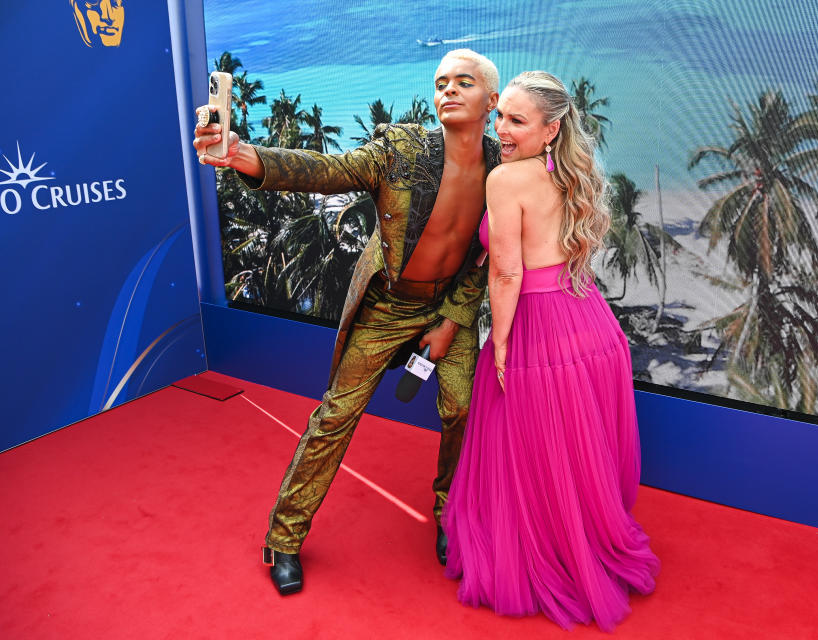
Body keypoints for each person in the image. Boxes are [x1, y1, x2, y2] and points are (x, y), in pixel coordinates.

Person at [192, 49, 500, 594]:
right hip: (386, 306)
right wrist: (243, 155)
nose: (449, 90)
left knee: (462, 408)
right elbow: (328, 172)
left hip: (447, 306)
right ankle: (284, 536)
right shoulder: (401, 148)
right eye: (441, 82)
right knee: (335, 417)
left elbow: (483, 256)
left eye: (464, 82)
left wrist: (452, 319)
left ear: (491, 101)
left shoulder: (503, 169)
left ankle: (451, 512)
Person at [442, 71, 660, 631]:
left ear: (550, 127)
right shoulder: (567, 172)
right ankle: (580, 544)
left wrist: (504, 344)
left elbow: (507, 272)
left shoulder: (506, 179)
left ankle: (544, 559)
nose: (503, 131)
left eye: (516, 120)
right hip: (590, 324)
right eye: (500, 117)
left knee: (529, 448)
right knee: (570, 450)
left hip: (540, 328)